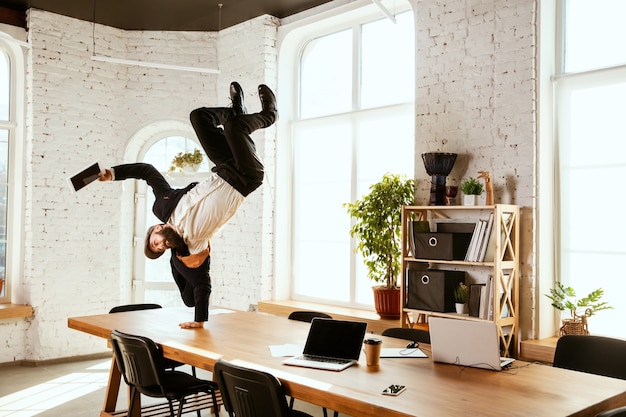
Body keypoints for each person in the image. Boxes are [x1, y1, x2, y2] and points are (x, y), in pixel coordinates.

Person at [98, 82, 277, 329]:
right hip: (245, 177)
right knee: (236, 129)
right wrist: (200, 321)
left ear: (156, 228)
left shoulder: (165, 205)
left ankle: (234, 110)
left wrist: (113, 173)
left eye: (155, 241)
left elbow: (147, 171)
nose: (160, 245)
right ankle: (269, 115)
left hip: (224, 167)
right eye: (160, 249)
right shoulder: (191, 248)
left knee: (199, 117)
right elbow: (201, 287)